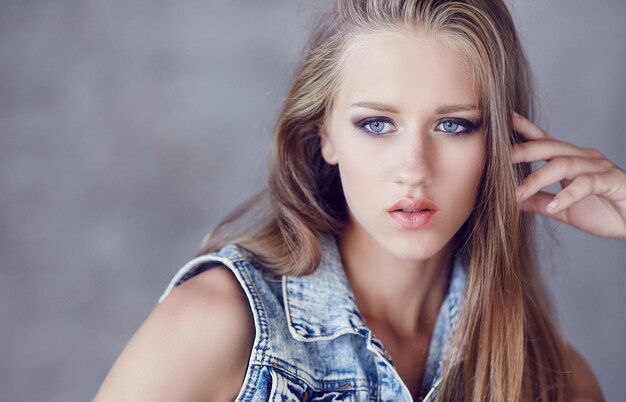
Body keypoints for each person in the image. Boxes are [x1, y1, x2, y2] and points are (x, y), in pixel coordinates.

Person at [94, 1, 625, 401]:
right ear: (325, 134)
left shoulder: (550, 377)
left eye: (452, 125)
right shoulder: (217, 324)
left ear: (502, 144)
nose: (414, 167)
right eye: (377, 124)